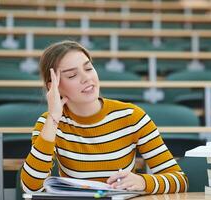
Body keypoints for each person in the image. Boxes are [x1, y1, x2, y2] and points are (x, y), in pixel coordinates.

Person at [20, 40, 188, 194]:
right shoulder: (49, 124)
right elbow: (31, 187)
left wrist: (143, 182)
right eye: (72, 75)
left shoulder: (131, 116)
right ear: (54, 86)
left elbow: (180, 180)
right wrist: (54, 118)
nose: (86, 78)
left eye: (88, 68)